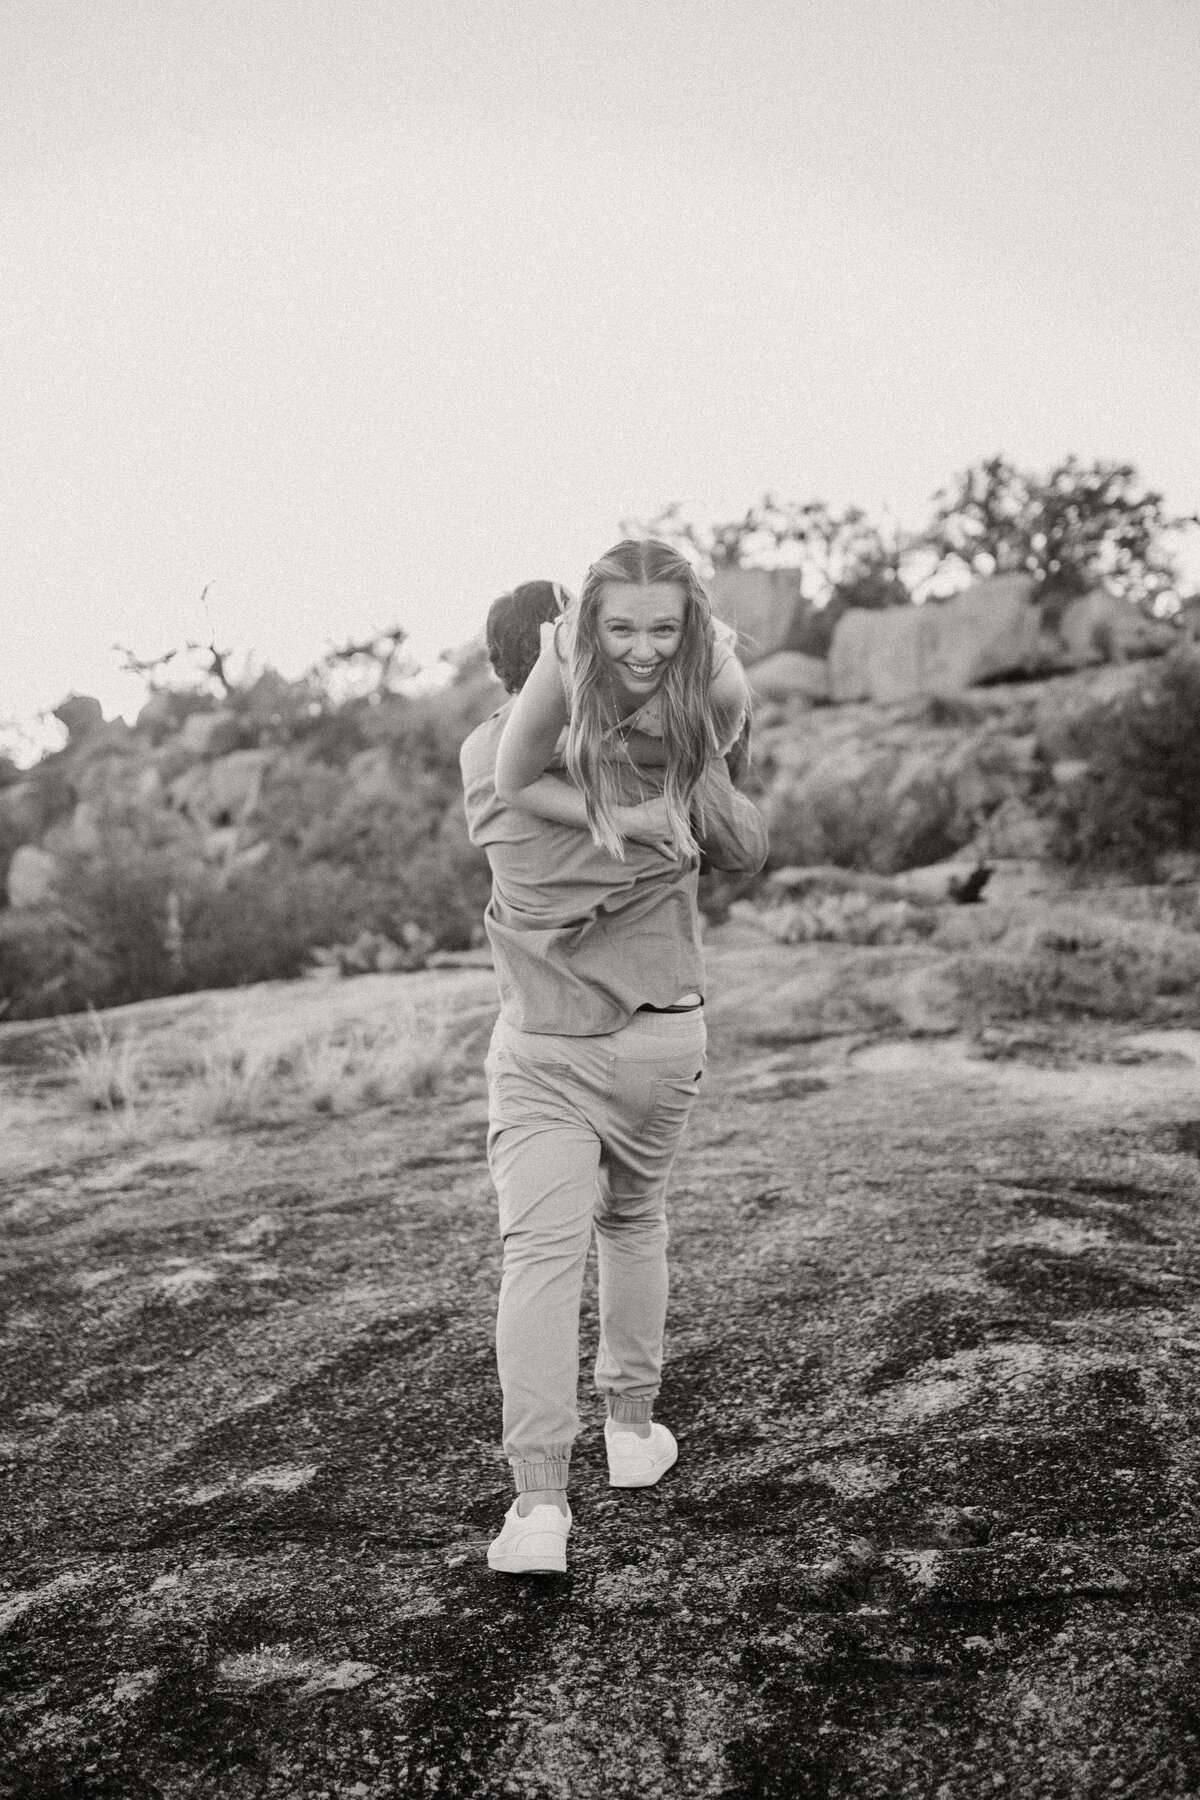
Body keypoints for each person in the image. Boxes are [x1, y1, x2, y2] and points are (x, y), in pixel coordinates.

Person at [461, 560, 765, 1577]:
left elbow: (519, 761)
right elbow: (736, 800)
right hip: (661, 1035)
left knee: (540, 1263)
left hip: (546, 1046)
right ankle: (632, 1437)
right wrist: (708, 665)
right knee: (632, 1223)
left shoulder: (481, 760)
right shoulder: (660, 750)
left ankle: (539, 1507)